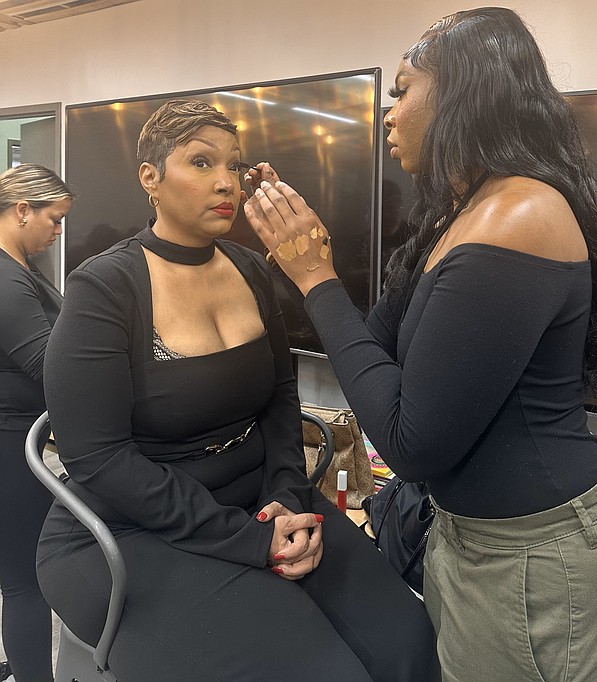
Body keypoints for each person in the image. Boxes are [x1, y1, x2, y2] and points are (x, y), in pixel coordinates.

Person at [244, 8, 597, 682]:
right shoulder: (461, 213)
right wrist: (300, 260)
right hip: (481, 542)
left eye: (403, 89)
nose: (388, 114)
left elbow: (410, 443)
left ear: (463, 94)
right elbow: (373, 346)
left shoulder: (520, 214)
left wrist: (315, 276)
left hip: (547, 558)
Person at [37, 99, 439, 681]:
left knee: (409, 645)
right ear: (150, 177)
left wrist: (289, 497)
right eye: (200, 163)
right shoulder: (105, 287)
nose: (226, 181)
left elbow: (279, 399)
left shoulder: (252, 268)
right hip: (128, 527)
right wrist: (248, 540)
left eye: (233, 164)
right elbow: (97, 459)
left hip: (258, 499)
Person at [0, 163, 73, 682]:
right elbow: (52, 369)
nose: (59, 230)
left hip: (20, 439)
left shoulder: (18, 269)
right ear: (22, 209)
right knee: (24, 581)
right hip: (9, 447)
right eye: (55, 217)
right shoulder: (6, 280)